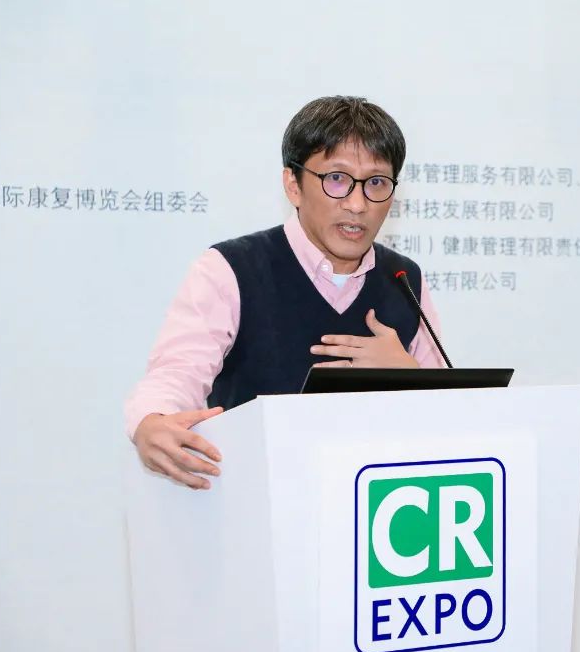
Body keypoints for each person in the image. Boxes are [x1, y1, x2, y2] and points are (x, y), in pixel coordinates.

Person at [125, 96, 445, 490]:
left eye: (377, 183)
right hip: (258, 500)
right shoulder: (231, 268)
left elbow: (451, 416)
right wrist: (152, 420)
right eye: (337, 179)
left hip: (378, 503)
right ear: (293, 185)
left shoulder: (404, 278)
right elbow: (177, 372)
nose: (358, 204)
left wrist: (410, 376)